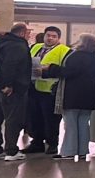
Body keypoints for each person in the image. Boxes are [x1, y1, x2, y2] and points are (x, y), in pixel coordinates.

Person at [44, 34, 95, 161]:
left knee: (70, 124)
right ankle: (82, 151)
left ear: (83, 43)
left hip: (72, 95)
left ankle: (69, 152)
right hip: (90, 96)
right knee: (83, 123)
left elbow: (67, 72)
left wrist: (51, 68)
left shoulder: (76, 56)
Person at [0, 24, 34, 161]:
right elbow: (10, 65)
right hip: (11, 89)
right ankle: (11, 151)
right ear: (22, 33)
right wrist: (7, 85)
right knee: (13, 119)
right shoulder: (17, 45)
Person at [25, 26, 71, 154]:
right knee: (34, 118)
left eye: (54, 36)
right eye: (48, 35)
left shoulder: (64, 50)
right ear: (44, 36)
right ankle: (37, 142)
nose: (50, 38)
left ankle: (52, 144)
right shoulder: (35, 47)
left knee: (50, 120)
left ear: (58, 38)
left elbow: (65, 70)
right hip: (33, 88)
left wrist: (49, 69)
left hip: (50, 91)